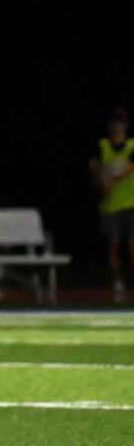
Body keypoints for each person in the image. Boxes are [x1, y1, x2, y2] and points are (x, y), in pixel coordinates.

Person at [89, 106, 134, 302]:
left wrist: (108, 180)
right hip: (110, 206)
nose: (118, 125)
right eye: (115, 121)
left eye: (121, 121)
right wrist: (101, 179)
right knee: (113, 246)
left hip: (131, 203)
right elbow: (94, 166)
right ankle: (117, 281)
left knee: (133, 245)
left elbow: (127, 170)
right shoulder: (101, 145)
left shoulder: (132, 145)